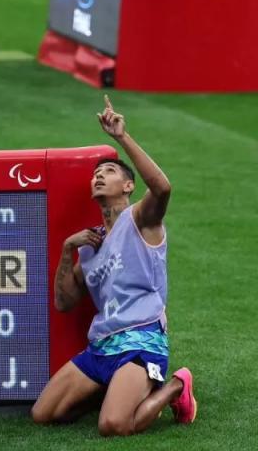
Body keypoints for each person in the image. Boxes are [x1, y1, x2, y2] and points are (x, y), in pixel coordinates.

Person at [31, 96, 197, 436]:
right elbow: (64, 304)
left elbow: (163, 187)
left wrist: (121, 137)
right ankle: (114, 389)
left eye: (108, 172)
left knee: (113, 425)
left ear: (128, 186)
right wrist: (66, 250)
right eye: (95, 174)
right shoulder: (89, 244)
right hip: (101, 347)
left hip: (142, 341)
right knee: (43, 414)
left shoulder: (141, 219)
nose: (98, 177)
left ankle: (175, 387)